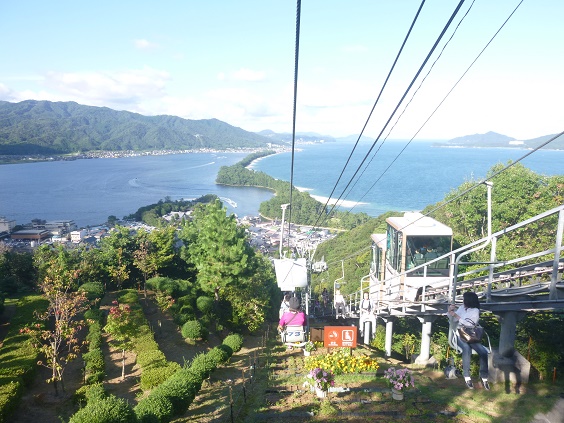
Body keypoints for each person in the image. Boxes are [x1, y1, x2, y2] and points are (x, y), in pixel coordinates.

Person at [448, 292, 490, 390]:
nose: (463, 301)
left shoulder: (475, 311)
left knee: (483, 352)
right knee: (466, 349)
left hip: (471, 335)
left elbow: (471, 324)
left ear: (468, 300)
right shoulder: (461, 308)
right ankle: (467, 376)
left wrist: (457, 316)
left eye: (464, 299)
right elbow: (452, 320)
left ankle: (484, 377)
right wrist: (450, 311)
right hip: (460, 334)